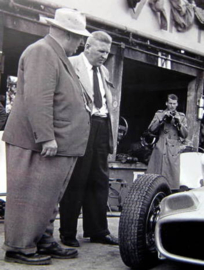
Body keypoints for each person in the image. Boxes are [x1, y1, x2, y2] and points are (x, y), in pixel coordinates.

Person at [2, 8, 91, 265]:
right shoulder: (42, 51)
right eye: (78, 37)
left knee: (47, 199)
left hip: (56, 143)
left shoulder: (54, 53)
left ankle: (41, 239)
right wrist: (46, 137)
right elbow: (38, 98)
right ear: (66, 34)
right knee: (29, 197)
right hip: (39, 144)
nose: (80, 43)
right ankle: (20, 247)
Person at [59, 31, 118, 247]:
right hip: (81, 126)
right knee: (76, 179)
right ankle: (67, 232)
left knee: (99, 179)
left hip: (101, 127)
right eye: (101, 51)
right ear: (88, 47)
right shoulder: (70, 63)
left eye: (107, 53)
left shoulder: (103, 70)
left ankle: (98, 231)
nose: (104, 56)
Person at [146, 94, 188, 189]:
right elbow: (151, 129)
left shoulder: (181, 116)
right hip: (161, 148)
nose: (172, 106)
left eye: (174, 104)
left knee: (171, 179)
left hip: (173, 152)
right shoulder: (159, 114)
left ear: (177, 104)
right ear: (166, 103)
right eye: (170, 103)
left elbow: (185, 135)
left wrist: (179, 123)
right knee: (155, 178)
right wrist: (162, 119)